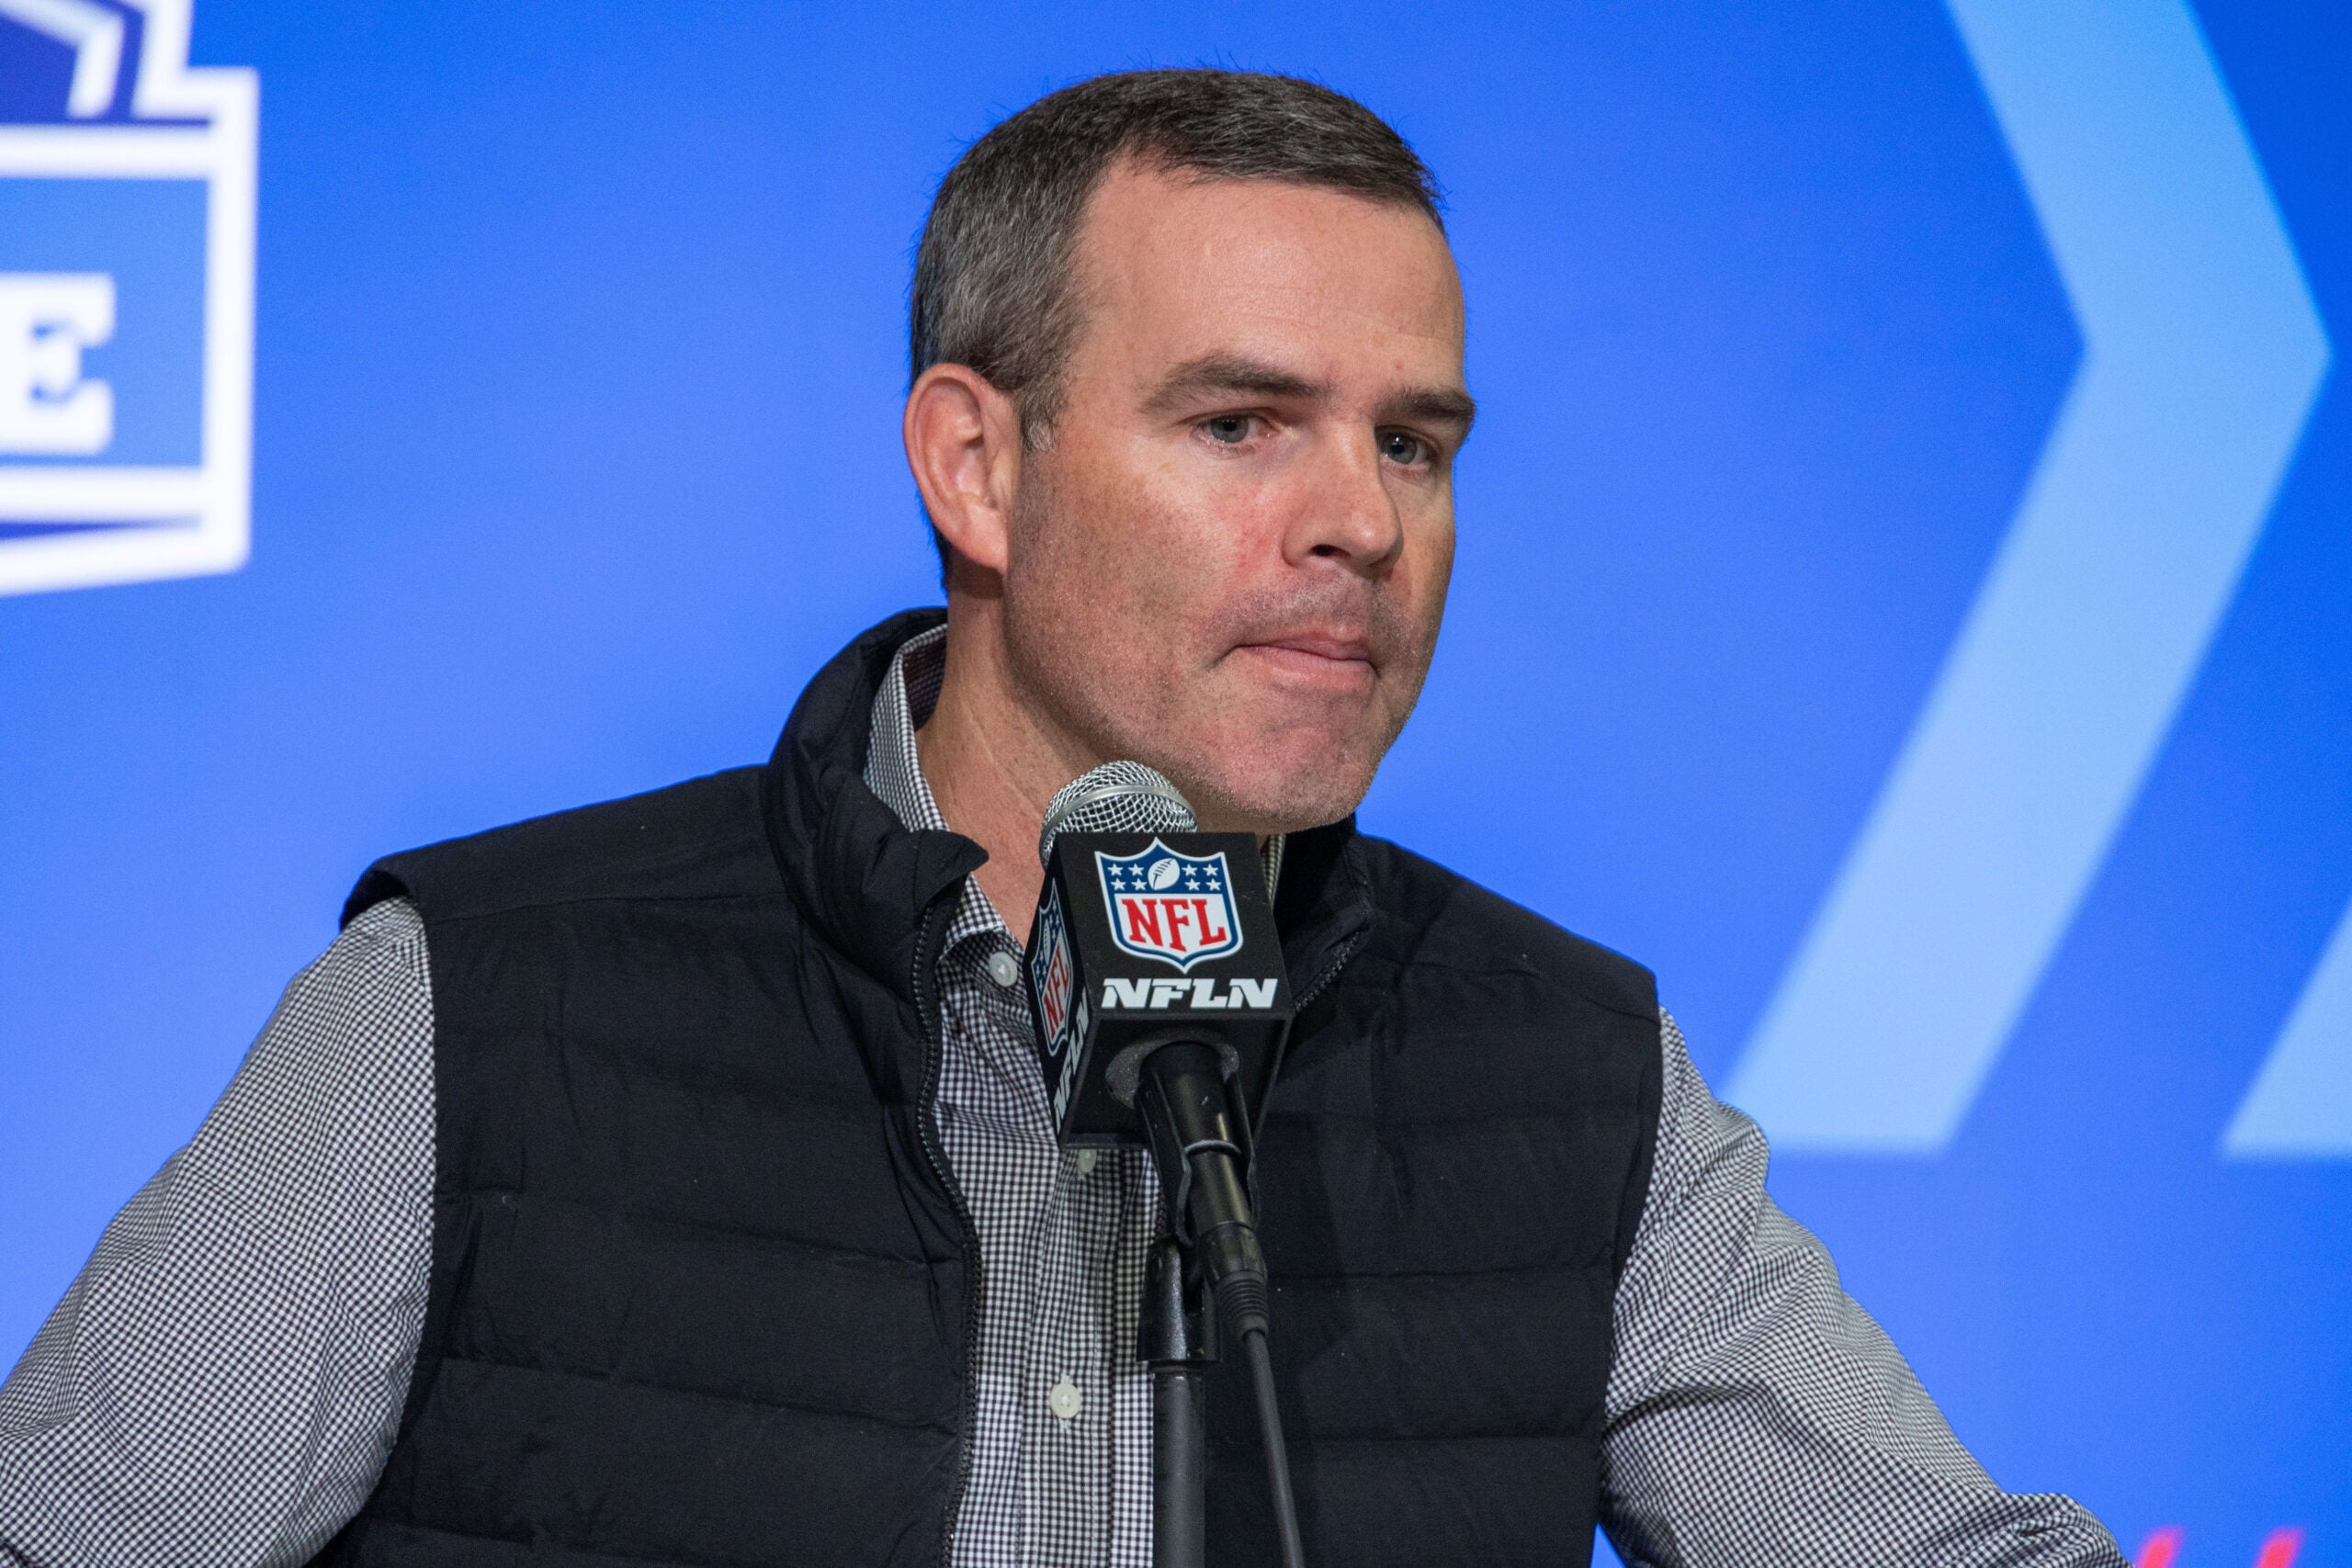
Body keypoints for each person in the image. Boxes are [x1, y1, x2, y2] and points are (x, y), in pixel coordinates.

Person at [0, 69, 2126, 1568]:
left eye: (1414, 440)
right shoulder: (476, 1002)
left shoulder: (1565, 1075)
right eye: (1240, 422)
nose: (1361, 524)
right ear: (974, 467)